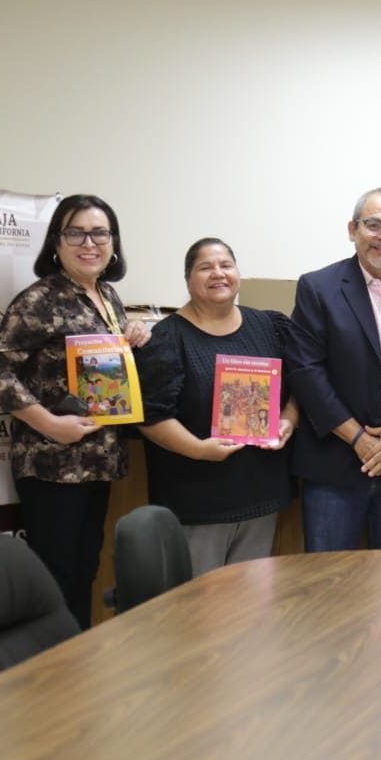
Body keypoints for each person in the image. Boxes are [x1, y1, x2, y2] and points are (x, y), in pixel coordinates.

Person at [0, 194, 151, 629]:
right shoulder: (39, 299)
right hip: (53, 463)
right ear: (56, 241)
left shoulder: (106, 294)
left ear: (113, 243)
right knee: (54, 577)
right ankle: (49, 679)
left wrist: (132, 333)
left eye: (100, 233)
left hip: (97, 460)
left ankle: (74, 668)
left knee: (83, 572)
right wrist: (50, 424)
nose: (89, 243)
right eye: (76, 232)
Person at [286, 187, 381, 551]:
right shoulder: (318, 287)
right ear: (353, 229)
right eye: (374, 224)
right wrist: (359, 439)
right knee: (329, 587)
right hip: (334, 467)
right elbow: (306, 372)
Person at [135, 238, 299, 576]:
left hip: (259, 493)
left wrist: (288, 420)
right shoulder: (166, 337)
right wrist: (197, 449)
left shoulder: (269, 326)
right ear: (188, 280)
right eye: (205, 267)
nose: (218, 274)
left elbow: (298, 386)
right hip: (196, 499)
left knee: (250, 610)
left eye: (226, 265)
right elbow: (150, 415)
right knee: (200, 612)